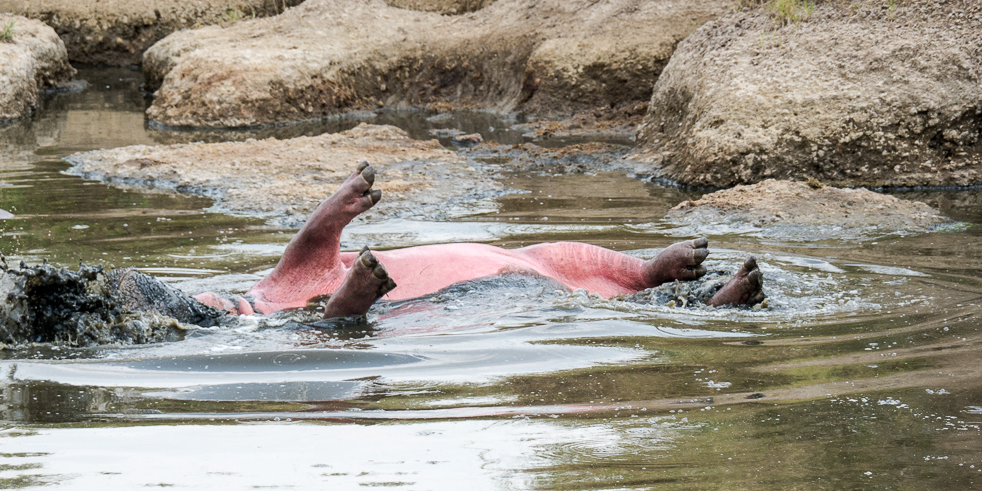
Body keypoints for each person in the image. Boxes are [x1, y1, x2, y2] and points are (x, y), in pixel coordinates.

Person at [190, 162, 765, 319]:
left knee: (567, 261)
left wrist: (338, 209)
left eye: (205, 299)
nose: (208, 301)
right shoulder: (285, 318)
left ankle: (650, 270)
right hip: (508, 293)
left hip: (515, 266)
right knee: (581, 289)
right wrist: (354, 294)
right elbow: (333, 329)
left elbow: (318, 237)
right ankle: (712, 306)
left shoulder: (281, 279)